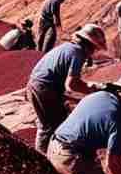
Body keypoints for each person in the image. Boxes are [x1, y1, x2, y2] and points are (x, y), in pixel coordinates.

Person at [26, 24, 107, 153]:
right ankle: (43, 157)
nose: (94, 52)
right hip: (44, 88)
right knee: (51, 125)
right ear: (90, 45)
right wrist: (93, 91)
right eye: (95, 49)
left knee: (56, 118)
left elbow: (63, 81)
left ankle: (49, 153)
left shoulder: (66, 47)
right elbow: (72, 84)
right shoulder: (78, 53)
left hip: (37, 84)